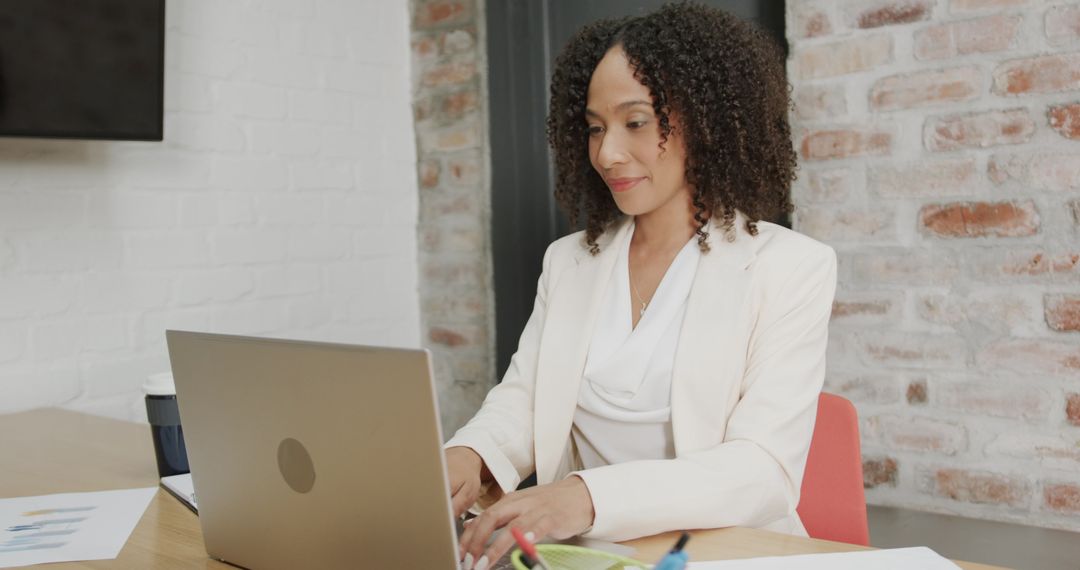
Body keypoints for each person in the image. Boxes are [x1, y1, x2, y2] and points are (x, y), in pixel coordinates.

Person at [446, 4, 837, 569]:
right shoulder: (568, 261)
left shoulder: (790, 266)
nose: (607, 153)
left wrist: (583, 497)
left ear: (706, 122)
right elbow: (525, 400)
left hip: (722, 555)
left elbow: (763, 470)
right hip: (584, 556)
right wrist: (467, 454)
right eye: (595, 127)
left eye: (636, 122)